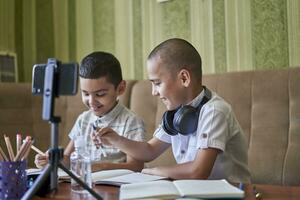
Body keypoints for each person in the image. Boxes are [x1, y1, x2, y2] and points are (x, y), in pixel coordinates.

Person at [94, 38, 251, 183]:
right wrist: (116, 139)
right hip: (195, 191)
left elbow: (199, 171)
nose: (154, 92)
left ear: (184, 78)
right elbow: (149, 150)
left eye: (157, 83)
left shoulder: (214, 111)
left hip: (230, 192)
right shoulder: (177, 114)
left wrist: (155, 172)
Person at [35, 51, 146, 172]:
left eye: (100, 94)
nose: (92, 101)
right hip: (85, 185)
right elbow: (67, 158)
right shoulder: (83, 120)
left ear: (120, 88)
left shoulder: (131, 122)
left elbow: (136, 166)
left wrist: (101, 167)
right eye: (86, 93)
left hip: (117, 187)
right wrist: (53, 160)